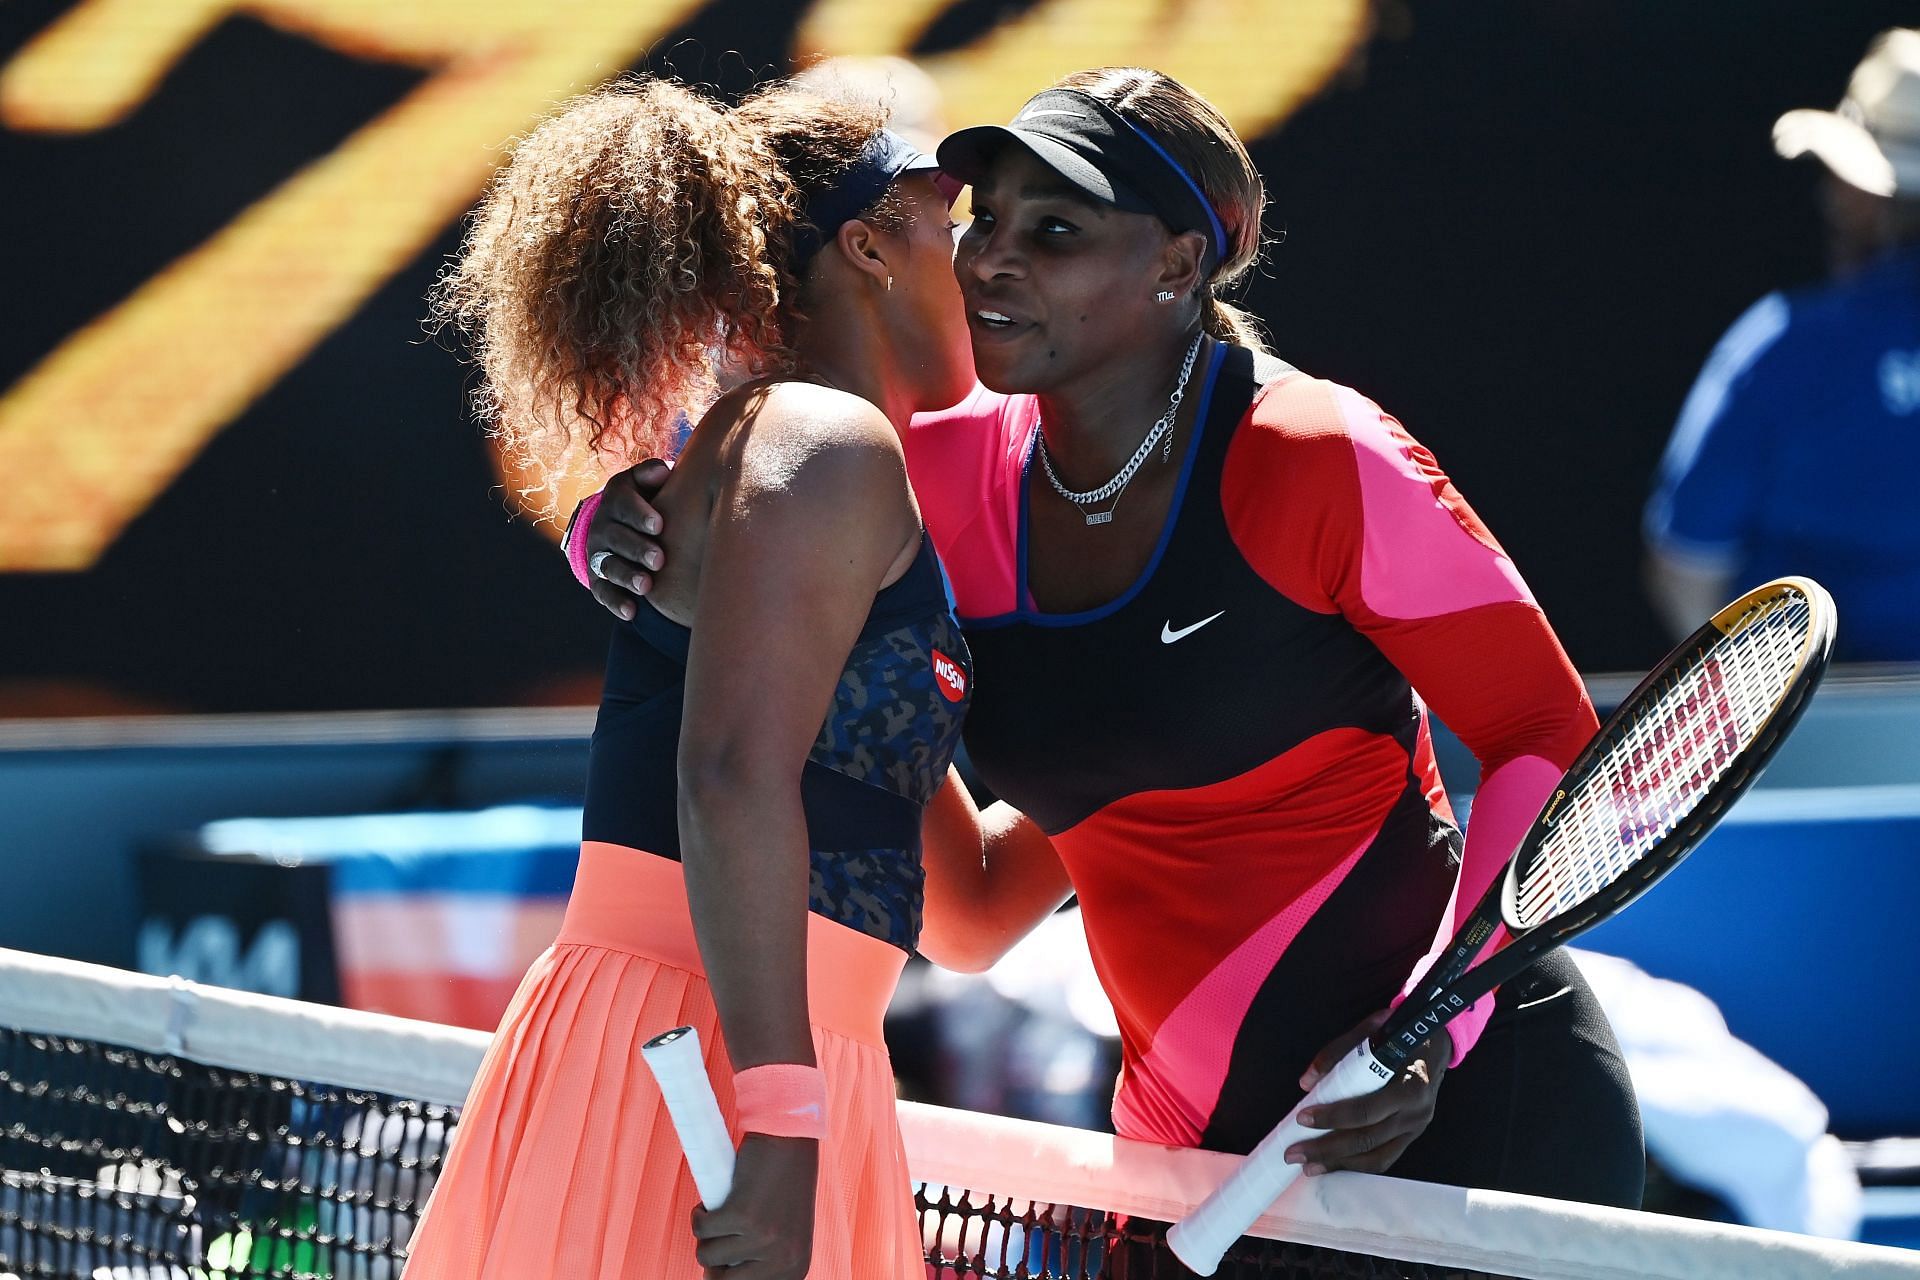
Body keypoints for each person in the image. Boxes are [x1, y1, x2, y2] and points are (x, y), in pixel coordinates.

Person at [578, 66, 1645, 1239]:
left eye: (1056, 231)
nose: (990, 258)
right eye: (984, 221)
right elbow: (970, 908)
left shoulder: (1318, 453)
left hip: (1472, 1107)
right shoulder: (926, 474)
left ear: (1178, 265)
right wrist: (614, 528)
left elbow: (1546, 733)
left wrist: (1437, 1020)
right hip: (1190, 1159)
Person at [404, 76, 976, 1279]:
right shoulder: (823, 442)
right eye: (954, 217)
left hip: (775, 1059)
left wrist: (1196, 766)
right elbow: (723, 775)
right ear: (870, 246)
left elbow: (964, 903)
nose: (985, 257)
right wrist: (779, 1114)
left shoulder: (801, 454)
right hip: (725, 1075)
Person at [1645, 28, 1920, 662]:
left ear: (1860, 197)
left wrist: (1775, 712)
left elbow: (1684, 568)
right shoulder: (1781, 344)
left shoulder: (1783, 347)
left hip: (1818, 740)